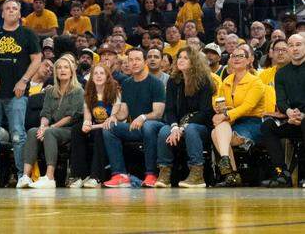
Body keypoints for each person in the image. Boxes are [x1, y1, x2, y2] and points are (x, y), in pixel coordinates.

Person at [0, 0, 41, 188]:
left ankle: (23, 175)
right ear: (2, 13)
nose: (11, 10)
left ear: (20, 13)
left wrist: (24, 80)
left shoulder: (27, 34)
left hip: (17, 94)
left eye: (15, 8)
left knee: (18, 135)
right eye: (8, 8)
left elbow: (37, 59)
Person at [154, 46, 218, 188]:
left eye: (185, 58)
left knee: (191, 129)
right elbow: (169, 110)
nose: (181, 60)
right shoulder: (173, 81)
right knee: (164, 131)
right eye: (179, 57)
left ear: (194, 61)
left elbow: (205, 112)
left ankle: (197, 174)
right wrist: (174, 127)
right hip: (179, 125)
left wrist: (182, 128)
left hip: (201, 126)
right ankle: (165, 173)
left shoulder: (204, 81)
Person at [102, 47, 166, 187]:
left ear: (145, 62)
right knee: (109, 128)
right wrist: (113, 117)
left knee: (148, 126)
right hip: (135, 127)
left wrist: (143, 117)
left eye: (138, 59)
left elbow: (158, 113)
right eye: (131, 60)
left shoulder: (156, 83)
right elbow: (124, 112)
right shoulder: (127, 83)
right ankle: (120, 174)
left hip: (156, 126)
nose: (134, 63)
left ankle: (151, 174)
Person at [18, 55, 84, 188]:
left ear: (72, 71)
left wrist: (50, 127)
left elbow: (71, 116)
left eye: (66, 67)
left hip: (69, 129)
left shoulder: (78, 90)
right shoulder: (50, 91)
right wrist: (42, 126)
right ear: (55, 72)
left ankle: (49, 177)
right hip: (52, 128)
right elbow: (45, 113)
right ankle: (25, 176)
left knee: (49, 133)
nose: (62, 70)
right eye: (59, 67)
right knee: (32, 131)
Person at [210, 42, 266, 186]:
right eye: (233, 56)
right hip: (232, 120)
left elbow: (247, 107)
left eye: (240, 56)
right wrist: (219, 110)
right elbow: (219, 100)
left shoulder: (256, 82)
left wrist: (225, 115)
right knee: (217, 130)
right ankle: (227, 163)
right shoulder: (227, 80)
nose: (236, 58)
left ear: (248, 60)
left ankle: (231, 174)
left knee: (217, 133)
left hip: (253, 122)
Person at [259, 33, 305, 187]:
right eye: (291, 45)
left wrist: (302, 115)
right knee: (267, 126)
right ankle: (282, 173)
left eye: (298, 45)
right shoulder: (281, 74)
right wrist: (289, 112)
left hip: (303, 117)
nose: (295, 49)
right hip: (292, 118)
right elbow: (281, 101)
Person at [70, 64, 120, 188]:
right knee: (76, 130)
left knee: (100, 132)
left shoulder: (115, 92)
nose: (98, 76)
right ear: (91, 77)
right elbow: (87, 117)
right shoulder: (88, 94)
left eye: (102, 73)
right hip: (95, 126)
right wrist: (86, 124)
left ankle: (96, 176)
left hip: (109, 128)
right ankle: (79, 175)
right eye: (95, 73)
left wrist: (92, 127)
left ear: (107, 76)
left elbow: (112, 119)